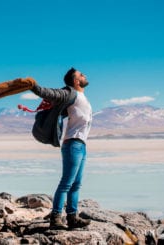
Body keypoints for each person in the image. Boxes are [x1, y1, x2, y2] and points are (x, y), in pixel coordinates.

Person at [31, 67, 93, 229]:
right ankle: (55, 218)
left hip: (81, 145)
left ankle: (72, 217)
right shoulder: (70, 93)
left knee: (76, 184)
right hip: (73, 145)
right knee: (66, 183)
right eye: (81, 74)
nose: (84, 75)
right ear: (76, 81)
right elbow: (50, 93)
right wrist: (34, 87)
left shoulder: (82, 97)